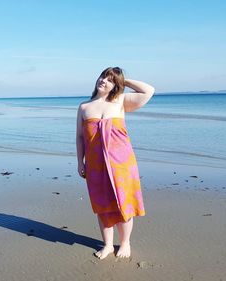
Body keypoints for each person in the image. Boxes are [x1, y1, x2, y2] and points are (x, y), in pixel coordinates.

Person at [76, 67, 154, 260]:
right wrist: (80, 162)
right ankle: (108, 245)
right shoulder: (84, 107)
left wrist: (123, 81)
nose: (104, 81)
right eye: (103, 76)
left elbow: (148, 91)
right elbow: (80, 137)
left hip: (122, 163)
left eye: (110, 80)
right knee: (102, 205)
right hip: (95, 164)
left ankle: (125, 242)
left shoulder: (120, 101)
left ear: (115, 85)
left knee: (124, 203)